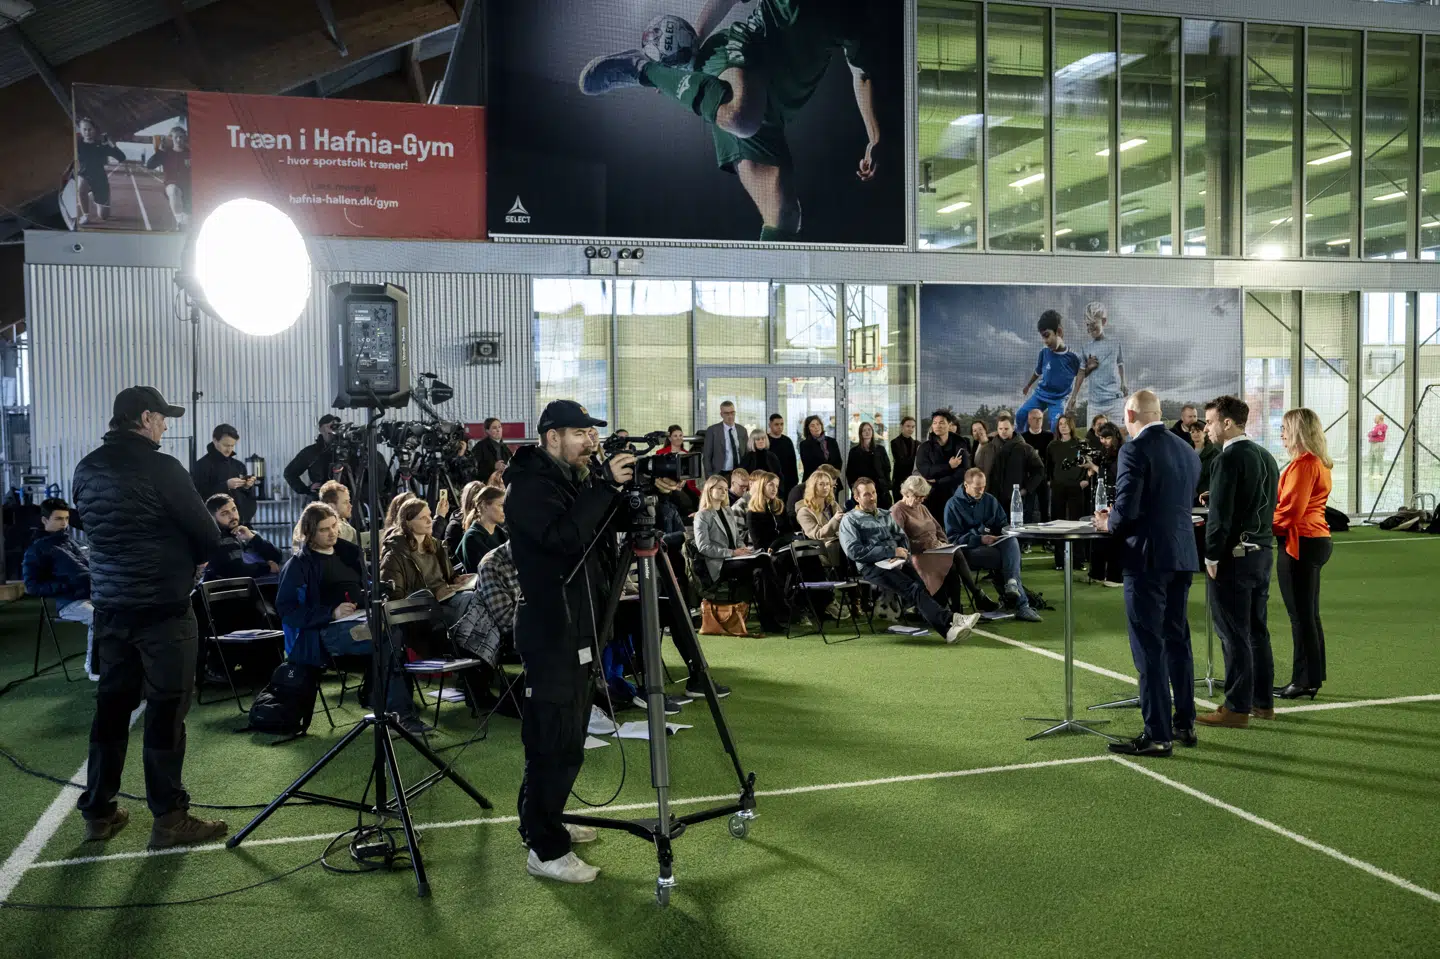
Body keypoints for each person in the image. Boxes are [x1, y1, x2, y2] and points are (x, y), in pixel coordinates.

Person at [578, 0, 885, 242]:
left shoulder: (855, 14)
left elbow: (862, 74)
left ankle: (769, 292)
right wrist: (693, 47)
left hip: (773, 112)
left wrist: (874, 138)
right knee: (741, 117)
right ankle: (640, 69)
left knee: (785, 217)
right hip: (741, 52)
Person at [71, 386, 227, 848]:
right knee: (166, 710)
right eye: (161, 418)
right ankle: (169, 818)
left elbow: (93, 527)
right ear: (144, 418)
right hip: (163, 610)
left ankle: (99, 812)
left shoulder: (86, 468)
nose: (165, 426)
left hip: (111, 608)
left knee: (112, 707)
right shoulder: (162, 467)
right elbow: (208, 534)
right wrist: (190, 558)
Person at [506, 400, 634, 884]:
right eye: (581, 433)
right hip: (552, 630)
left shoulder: (572, 480)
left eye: (592, 433)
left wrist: (625, 493)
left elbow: (598, 530)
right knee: (552, 740)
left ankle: (546, 819)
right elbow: (564, 539)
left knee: (570, 738)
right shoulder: (529, 487)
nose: (590, 442)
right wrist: (602, 486)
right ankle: (545, 848)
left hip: (580, 626)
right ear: (552, 437)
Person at [1093, 390, 1202, 758]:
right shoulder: (1186, 449)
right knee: (1177, 640)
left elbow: (1127, 509)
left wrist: (1108, 522)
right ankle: (1184, 723)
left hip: (1146, 558)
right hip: (1182, 554)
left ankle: (1157, 734)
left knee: (1149, 646)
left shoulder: (1134, 450)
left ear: (1129, 415)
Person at [276, 503, 418, 723]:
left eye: (334, 526)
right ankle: (400, 714)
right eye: (324, 529)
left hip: (358, 619)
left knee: (401, 625)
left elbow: (365, 585)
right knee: (388, 636)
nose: (332, 532)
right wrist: (331, 613)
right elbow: (287, 611)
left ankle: (381, 699)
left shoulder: (348, 553)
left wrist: (373, 596)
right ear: (309, 532)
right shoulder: (299, 565)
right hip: (321, 633)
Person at [1198, 395, 1281, 729]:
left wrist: (1211, 555)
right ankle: (1263, 703)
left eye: (1210, 422)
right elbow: (1262, 500)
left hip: (1235, 556)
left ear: (1227, 423)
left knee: (1233, 633)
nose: (1207, 428)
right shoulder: (1266, 456)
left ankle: (1235, 707)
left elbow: (1220, 519)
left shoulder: (1227, 458)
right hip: (1262, 551)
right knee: (1257, 631)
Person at [840, 478, 978, 644]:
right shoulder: (850, 520)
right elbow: (854, 551)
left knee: (921, 588)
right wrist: (891, 551)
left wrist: (902, 552)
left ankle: (949, 628)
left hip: (897, 561)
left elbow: (901, 537)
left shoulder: (884, 514)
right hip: (872, 567)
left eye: (874, 493)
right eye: (866, 494)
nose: (872, 497)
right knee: (913, 589)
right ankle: (952, 620)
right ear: (857, 498)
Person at [1273, 408, 1334, 700]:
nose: (1282, 434)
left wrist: (1259, 525)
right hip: (1314, 539)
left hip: (1301, 542)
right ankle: (1311, 677)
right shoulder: (1316, 462)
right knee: (1309, 615)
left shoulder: (1304, 465)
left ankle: (1304, 680)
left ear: (1297, 431)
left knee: (1301, 616)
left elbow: (1290, 513)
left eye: (1285, 429)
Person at [942, 469, 1042, 622]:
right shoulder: (952, 505)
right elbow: (953, 539)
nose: (981, 491)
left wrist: (1000, 533)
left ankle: (1012, 584)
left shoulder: (990, 500)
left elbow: (1003, 525)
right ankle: (1021, 604)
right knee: (1008, 558)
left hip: (992, 544)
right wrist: (980, 538)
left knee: (1011, 540)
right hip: (967, 551)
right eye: (977, 488)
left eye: (983, 487)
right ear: (966, 485)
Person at [891, 475, 998, 613]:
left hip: (934, 549)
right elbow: (900, 541)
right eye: (918, 497)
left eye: (923, 497)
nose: (921, 500)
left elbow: (938, 529)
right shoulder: (897, 511)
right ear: (907, 493)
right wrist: (926, 544)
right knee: (952, 563)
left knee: (955, 553)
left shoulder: (922, 508)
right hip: (917, 554)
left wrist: (944, 543)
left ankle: (962, 605)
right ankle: (969, 600)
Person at [23, 498, 96, 679]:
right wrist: (66, 586)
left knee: (120, 611)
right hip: (69, 603)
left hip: (93, 596)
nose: (64, 523)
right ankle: (95, 667)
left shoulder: (74, 543)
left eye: (66, 518)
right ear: (44, 520)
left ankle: (119, 664)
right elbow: (31, 586)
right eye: (58, 519)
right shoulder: (37, 550)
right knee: (100, 617)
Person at [974, 411, 1044, 524]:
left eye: (1006, 428)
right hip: (992, 499)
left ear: (1013, 427)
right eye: (1000, 428)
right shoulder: (988, 449)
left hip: (1016, 499)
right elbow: (980, 470)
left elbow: (1039, 470)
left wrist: (1026, 489)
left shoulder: (1025, 449)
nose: (1003, 431)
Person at [1018, 310, 1082, 431]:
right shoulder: (1044, 353)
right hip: (1040, 395)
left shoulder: (1073, 357)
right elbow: (1037, 372)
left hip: (1058, 399)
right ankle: (1022, 439)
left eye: (1047, 335)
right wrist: (1028, 385)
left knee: (1056, 427)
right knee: (1021, 415)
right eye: (1042, 337)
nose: (1045, 341)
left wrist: (1090, 367)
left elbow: (1081, 375)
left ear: (1059, 332)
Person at [1067, 301, 1128, 427]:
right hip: (1095, 405)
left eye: (1094, 323)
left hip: (1115, 401)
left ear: (1104, 321)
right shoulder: (1085, 348)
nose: (1090, 328)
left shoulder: (1115, 343)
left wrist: (1123, 382)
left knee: (1120, 435)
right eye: (1088, 325)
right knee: (1092, 437)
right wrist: (1073, 397)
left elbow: (1120, 364)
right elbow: (1081, 373)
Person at [204, 494, 284, 581]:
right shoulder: (215, 540)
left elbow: (277, 556)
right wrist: (268, 567)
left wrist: (252, 538)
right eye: (225, 513)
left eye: (234, 509)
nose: (232, 516)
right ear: (213, 518)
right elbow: (236, 570)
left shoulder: (246, 532)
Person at [1045, 414, 1089, 570]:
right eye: (1060, 424)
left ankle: (1078, 560)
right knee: (1058, 524)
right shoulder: (1052, 446)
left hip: (1076, 488)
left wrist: (1085, 481)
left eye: (1065, 423)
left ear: (1071, 425)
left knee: (1077, 523)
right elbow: (1048, 467)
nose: (1063, 426)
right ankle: (1059, 561)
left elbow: (1088, 464)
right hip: (1058, 488)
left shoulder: (1081, 444)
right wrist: (1050, 482)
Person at [1084, 424, 1126, 587]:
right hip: (1101, 496)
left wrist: (1093, 467)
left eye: (1108, 438)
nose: (1104, 441)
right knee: (1098, 534)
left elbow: (1114, 473)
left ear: (1115, 437)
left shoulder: (1123, 452)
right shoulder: (1103, 452)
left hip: (1115, 497)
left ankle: (1116, 577)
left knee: (1114, 536)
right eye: (1102, 438)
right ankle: (1097, 573)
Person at [191, 424, 257, 526]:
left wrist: (247, 487)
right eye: (226, 445)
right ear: (215, 440)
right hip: (214, 526)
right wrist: (226, 485)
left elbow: (249, 498)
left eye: (232, 446)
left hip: (241, 524)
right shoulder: (201, 466)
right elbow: (197, 496)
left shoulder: (238, 466)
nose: (229, 450)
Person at [915, 409, 969, 522]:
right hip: (930, 495)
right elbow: (926, 472)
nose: (937, 426)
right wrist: (949, 466)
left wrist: (938, 481)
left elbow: (962, 472)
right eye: (934, 423)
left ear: (949, 424)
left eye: (941, 422)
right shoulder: (924, 447)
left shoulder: (960, 444)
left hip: (954, 493)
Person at [73, 117, 126, 225]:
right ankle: (86, 215)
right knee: (81, 187)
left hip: (100, 179)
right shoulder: (77, 144)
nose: (87, 132)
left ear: (95, 130)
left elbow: (122, 158)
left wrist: (111, 145)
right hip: (84, 174)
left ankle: (96, 197)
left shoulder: (102, 145)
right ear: (81, 130)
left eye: (90, 129)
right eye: (84, 129)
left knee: (104, 216)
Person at [795, 469, 847, 570]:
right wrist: (835, 520)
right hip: (820, 548)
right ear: (813, 487)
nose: (826, 487)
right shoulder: (804, 511)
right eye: (821, 484)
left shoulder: (833, 504)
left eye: (827, 484)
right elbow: (817, 534)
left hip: (840, 542)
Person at [284, 414, 343, 498]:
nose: (334, 430)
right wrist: (306, 489)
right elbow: (289, 473)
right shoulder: (311, 452)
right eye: (331, 426)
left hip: (346, 500)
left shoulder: (347, 451)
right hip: (321, 500)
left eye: (337, 426)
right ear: (321, 429)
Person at [144, 125, 191, 230]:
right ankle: (179, 221)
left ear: (185, 138)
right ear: (171, 138)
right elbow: (149, 165)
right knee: (173, 190)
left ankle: (181, 224)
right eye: (176, 137)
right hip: (171, 186)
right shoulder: (165, 153)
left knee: (189, 222)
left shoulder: (190, 154)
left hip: (188, 190)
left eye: (181, 137)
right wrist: (160, 151)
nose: (178, 140)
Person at [459, 485, 509, 573]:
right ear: (484, 506)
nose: (505, 510)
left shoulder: (501, 533)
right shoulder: (472, 537)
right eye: (501, 505)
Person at [846, 421, 893, 509]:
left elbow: (887, 468)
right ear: (860, 433)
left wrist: (886, 485)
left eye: (869, 430)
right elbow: (850, 472)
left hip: (880, 490)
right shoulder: (854, 451)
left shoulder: (880, 449)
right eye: (864, 430)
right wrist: (854, 488)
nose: (867, 432)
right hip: (862, 489)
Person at [746, 471, 796, 552]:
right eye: (771, 485)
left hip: (784, 547)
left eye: (776, 486)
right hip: (768, 553)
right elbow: (759, 544)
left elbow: (789, 532)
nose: (774, 489)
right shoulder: (753, 513)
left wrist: (777, 544)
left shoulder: (779, 506)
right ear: (762, 486)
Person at [1019, 407, 1053, 522]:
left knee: (1045, 508)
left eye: (1040, 418)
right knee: (1028, 509)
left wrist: (1049, 478)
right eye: (1034, 418)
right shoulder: (1022, 438)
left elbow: (1051, 459)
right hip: (1029, 479)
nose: (1037, 421)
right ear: (1029, 420)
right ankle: (1027, 532)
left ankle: (1046, 532)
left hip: (1044, 478)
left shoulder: (1049, 437)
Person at [702, 400, 748, 477]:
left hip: (739, 473)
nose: (730, 416)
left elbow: (747, 453)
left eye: (732, 413)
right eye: (726, 413)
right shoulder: (713, 430)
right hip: (720, 473)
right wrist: (710, 476)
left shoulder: (742, 430)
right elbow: (707, 456)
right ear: (721, 414)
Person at [799, 414, 843, 481]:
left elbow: (838, 462)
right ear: (808, 429)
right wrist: (823, 478)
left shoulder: (832, 441)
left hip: (833, 480)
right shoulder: (804, 444)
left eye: (818, 424)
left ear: (821, 425)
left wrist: (833, 476)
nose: (816, 427)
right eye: (812, 426)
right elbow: (809, 466)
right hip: (814, 481)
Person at [766, 414, 801, 496]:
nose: (780, 427)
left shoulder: (787, 441)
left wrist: (795, 481)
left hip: (787, 481)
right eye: (776, 424)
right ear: (770, 425)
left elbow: (792, 462)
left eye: (782, 424)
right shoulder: (765, 441)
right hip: (770, 480)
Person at [473, 417, 513, 486]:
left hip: (503, 485)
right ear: (487, 431)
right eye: (494, 428)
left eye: (499, 427)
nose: (498, 430)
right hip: (486, 486)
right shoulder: (480, 447)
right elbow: (474, 469)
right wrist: (493, 466)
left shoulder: (505, 448)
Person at [319, 480, 360, 546]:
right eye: (345, 502)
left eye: (349, 501)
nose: (350, 506)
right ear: (331, 506)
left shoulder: (342, 520)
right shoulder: (338, 529)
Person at [889, 415, 918, 502]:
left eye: (913, 427)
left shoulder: (917, 444)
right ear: (902, 427)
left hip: (912, 482)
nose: (911, 429)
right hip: (899, 481)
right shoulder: (894, 442)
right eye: (908, 426)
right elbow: (901, 462)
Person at [1367, 413, 1388, 479]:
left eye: (1375, 418)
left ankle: (1380, 474)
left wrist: (1371, 433)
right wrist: (1371, 433)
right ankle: (1371, 473)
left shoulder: (1382, 426)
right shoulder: (1376, 426)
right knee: (1371, 458)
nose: (1374, 419)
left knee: (1379, 459)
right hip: (1372, 444)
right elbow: (1370, 434)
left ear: (1380, 419)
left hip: (1378, 444)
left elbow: (1374, 433)